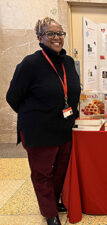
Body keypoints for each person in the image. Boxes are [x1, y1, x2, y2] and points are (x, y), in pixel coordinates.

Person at [6, 17, 81, 225]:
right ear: (39, 37)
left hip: (64, 128)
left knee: (60, 170)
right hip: (38, 131)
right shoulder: (31, 63)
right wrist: (34, 115)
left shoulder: (67, 62)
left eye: (59, 33)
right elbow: (12, 97)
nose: (56, 37)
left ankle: (53, 200)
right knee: (42, 173)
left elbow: (72, 91)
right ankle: (49, 213)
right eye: (50, 33)